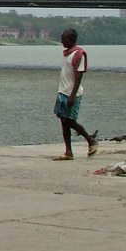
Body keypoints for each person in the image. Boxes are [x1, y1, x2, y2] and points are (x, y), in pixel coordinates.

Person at [53, 28, 99, 161]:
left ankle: (90, 140)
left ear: (71, 39)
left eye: (64, 39)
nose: (61, 41)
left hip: (72, 92)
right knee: (63, 121)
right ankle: (68, 151)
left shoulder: (79, 54)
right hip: (62, 91)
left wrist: (72, 96)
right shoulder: (67, 54)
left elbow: (79, 77)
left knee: (70, 121)